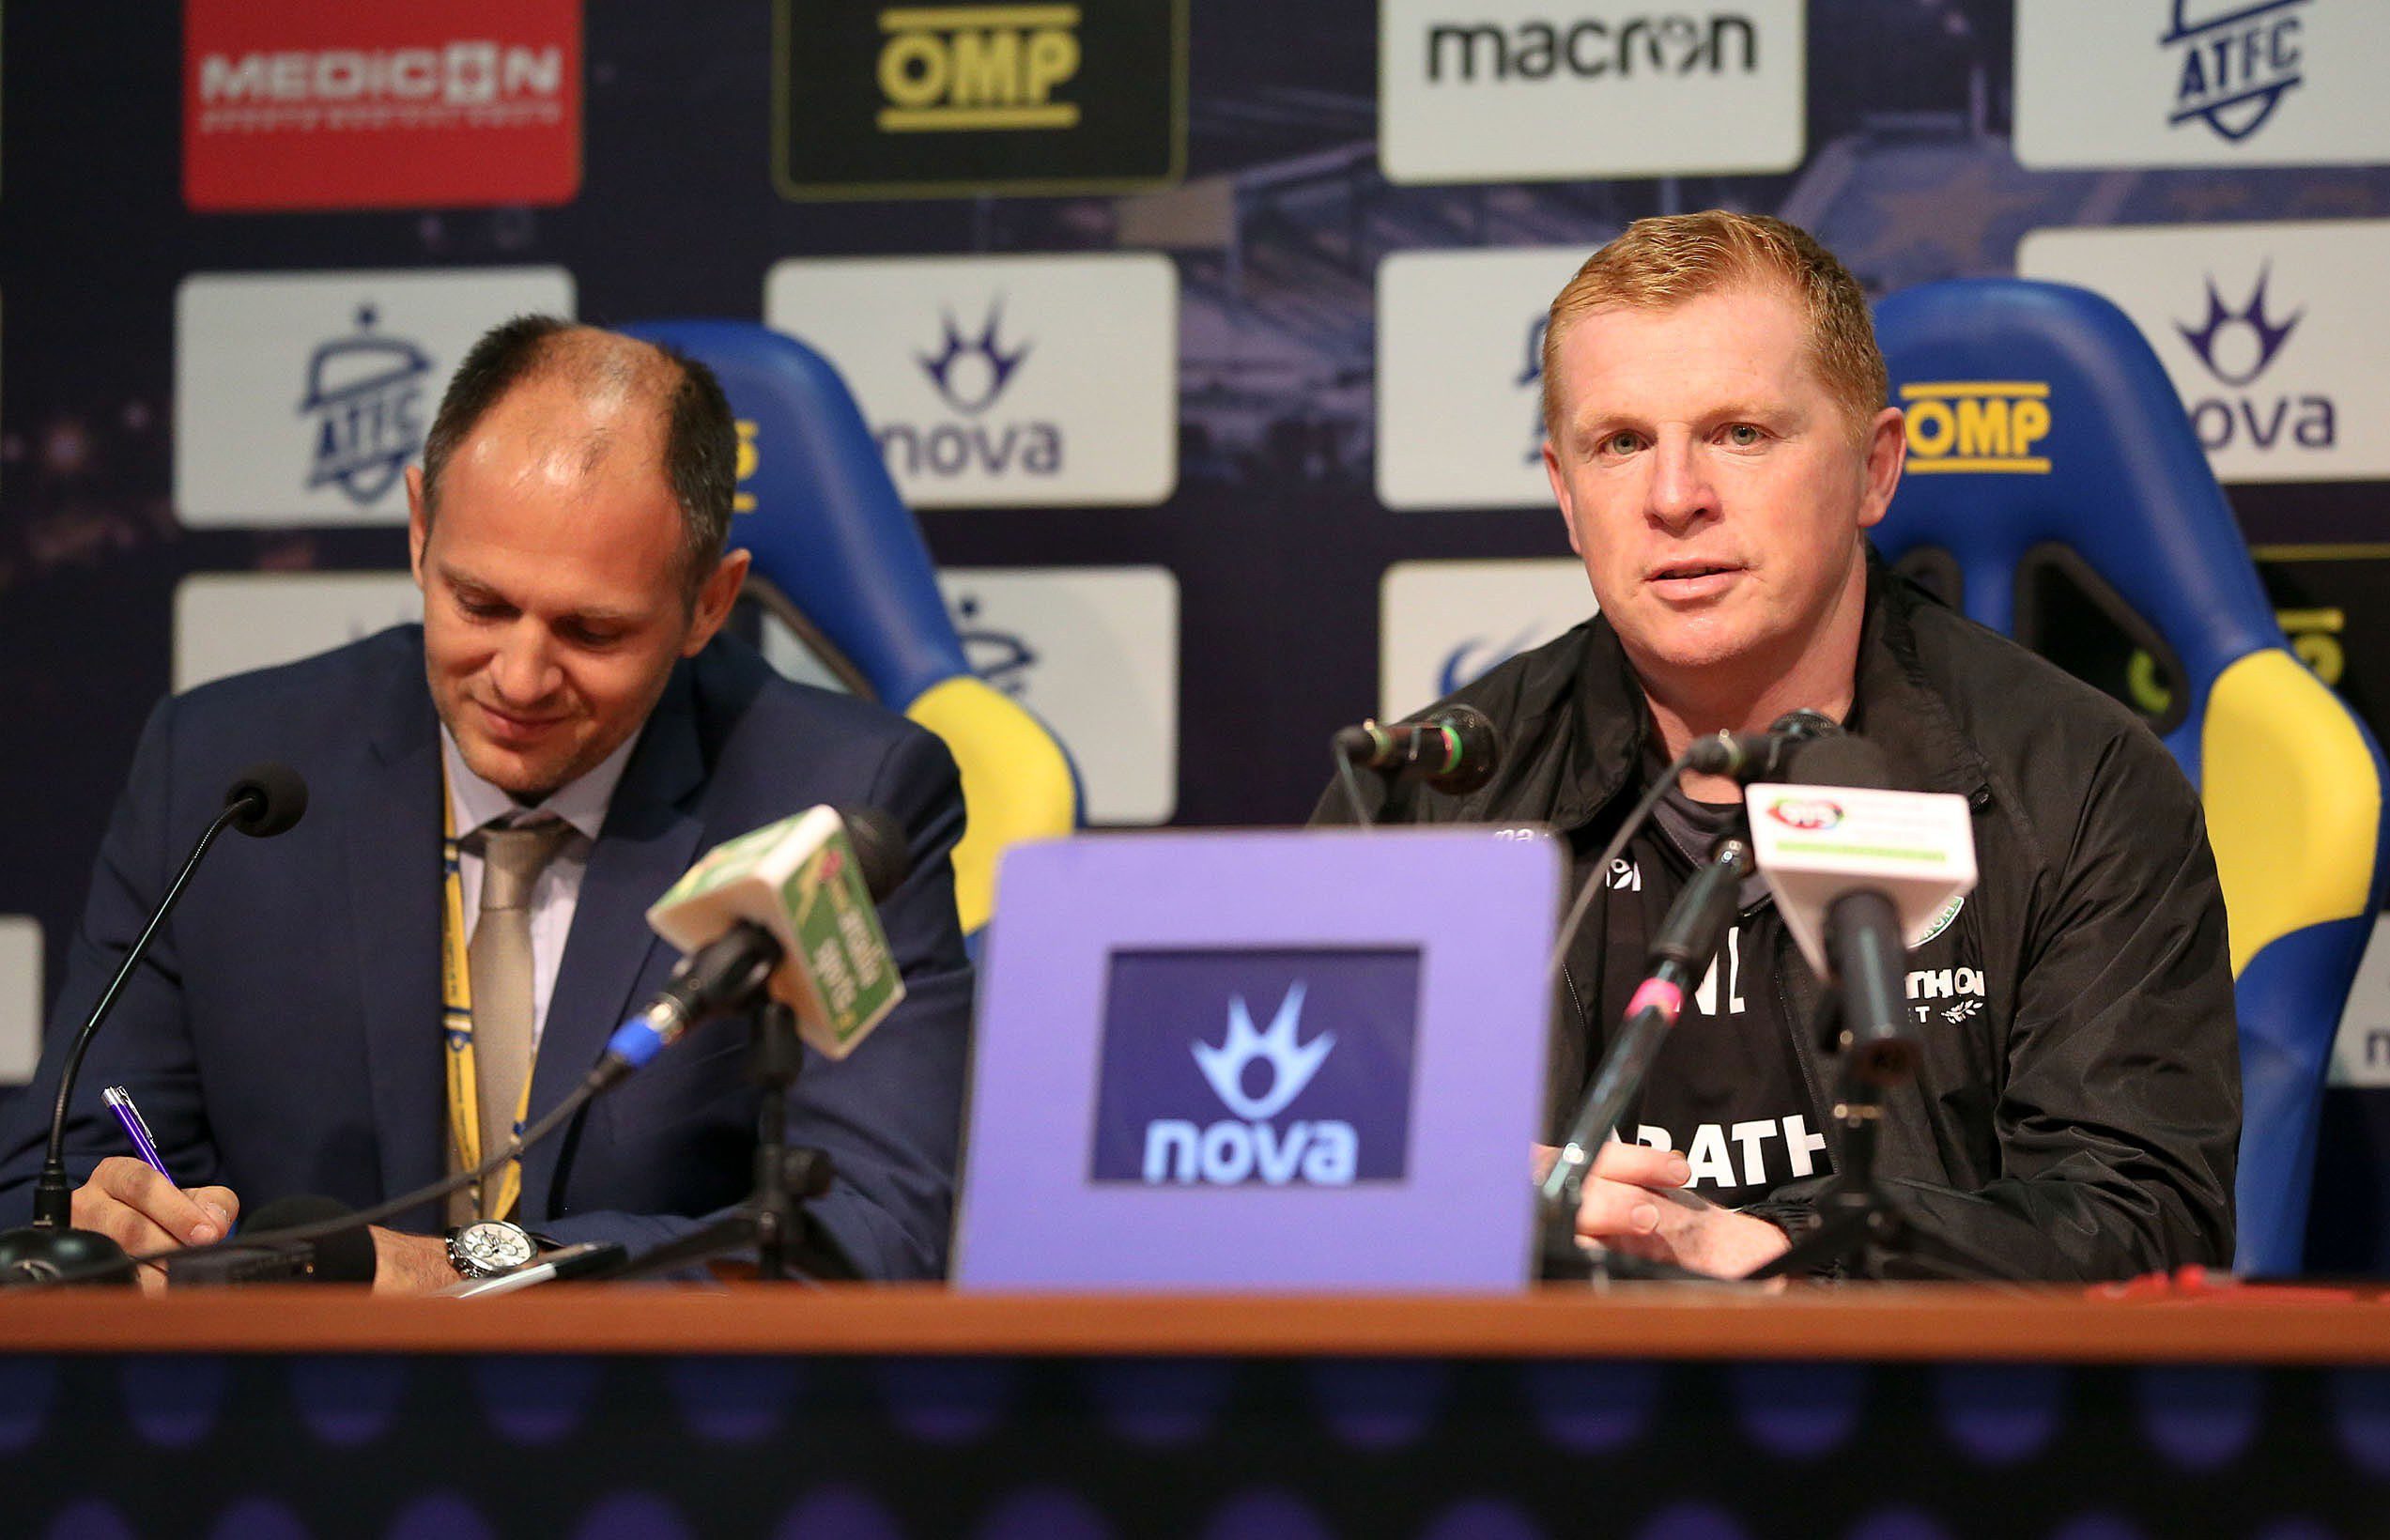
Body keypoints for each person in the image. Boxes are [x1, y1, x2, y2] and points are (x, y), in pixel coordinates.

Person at [1318, 212, 2239, 1281]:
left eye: (1740, 433)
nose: (1674, 498)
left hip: (1908, 1385)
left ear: (1874, 469)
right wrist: (1456, 1196)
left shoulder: (2079, 784)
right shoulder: (1428, 795)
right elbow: (1272, 1169)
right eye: (1621, 444)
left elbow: (2143, 1219)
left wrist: (1775, 1253)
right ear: (1566, 495)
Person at [0, 318, 974, 1289]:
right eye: (481, 603)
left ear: (710, 604)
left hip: (648, 1386)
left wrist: (458, 1271)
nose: (519, 676)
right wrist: (110, 1217)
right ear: (420, 529)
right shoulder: (223, 771)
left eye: (592, 630)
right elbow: (60, 1172)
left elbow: (870, 1229)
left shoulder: (834, 802)